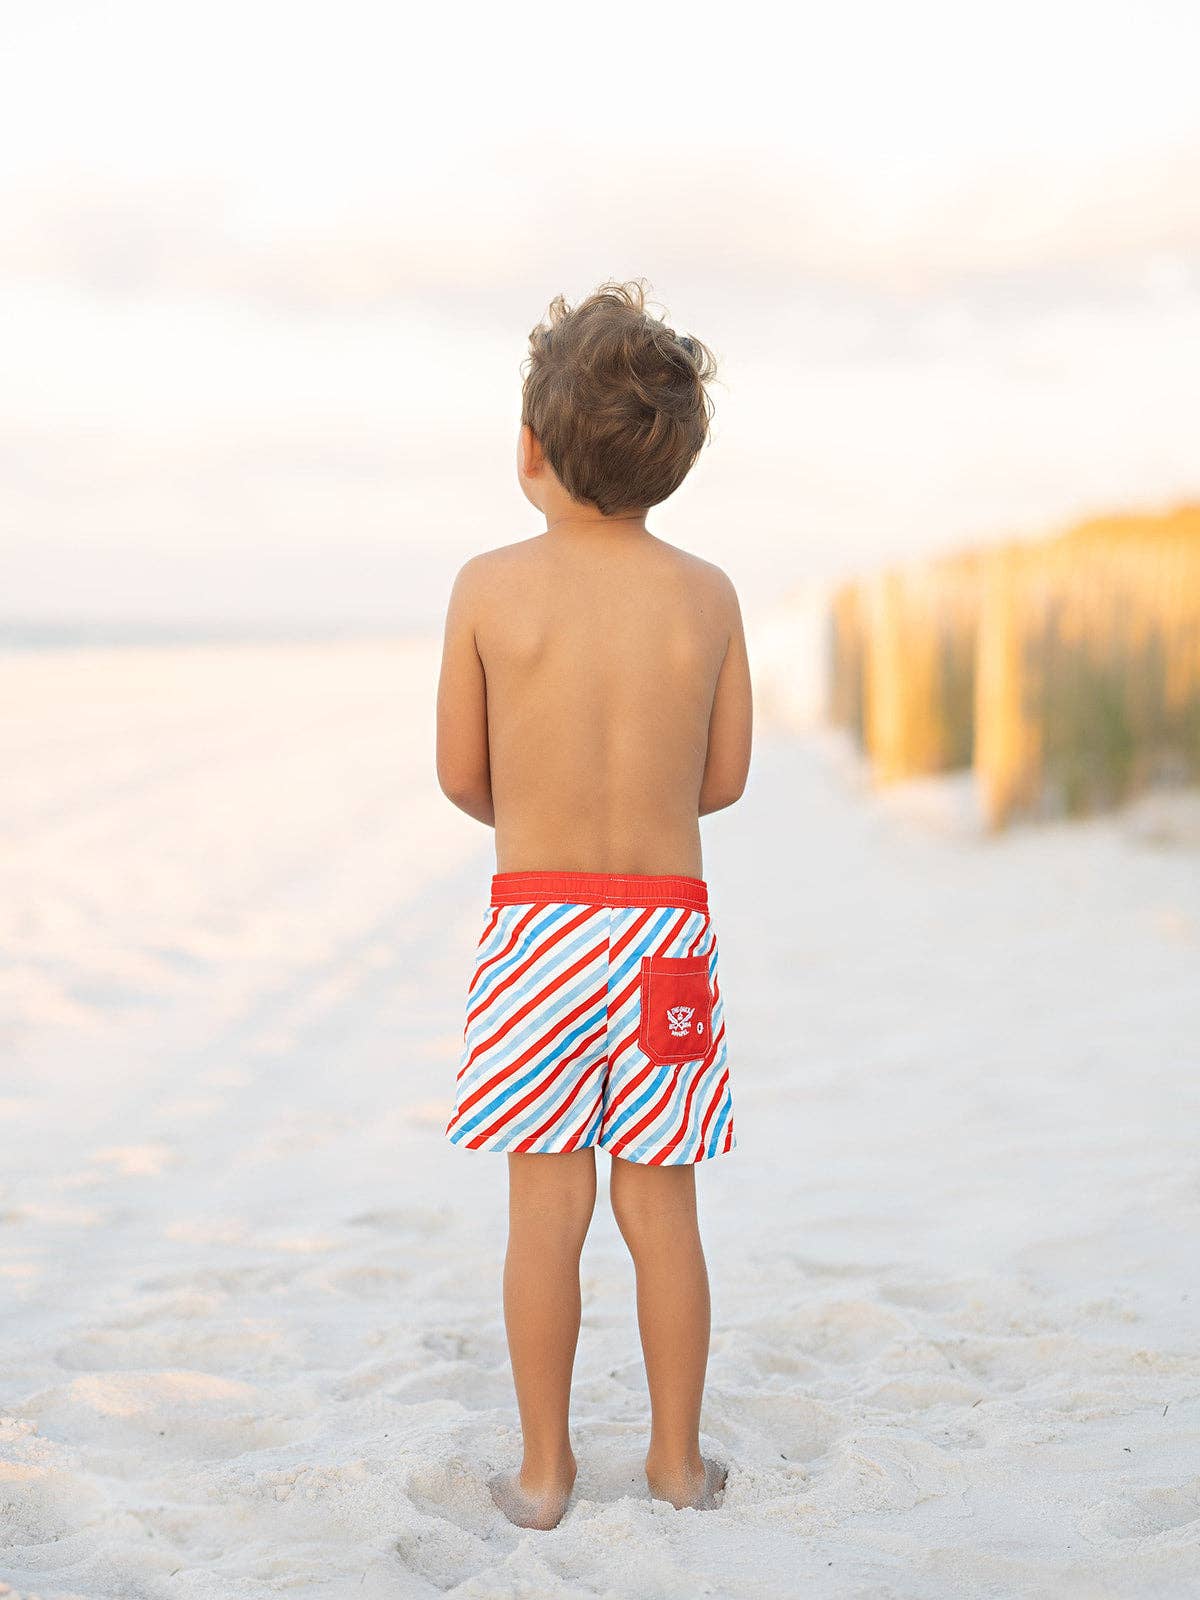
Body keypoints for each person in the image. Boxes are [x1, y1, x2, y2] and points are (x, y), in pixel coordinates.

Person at [435, 280, 752, 1530]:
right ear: (671, 463)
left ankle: (547, 1470)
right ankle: (675, 1462)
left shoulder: (487, 587)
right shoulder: (709, 594)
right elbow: (721, 780)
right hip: (668, 933)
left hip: (537, 930)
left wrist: (539, 818)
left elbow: (465, 774)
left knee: (546, 1205)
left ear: (529, 446)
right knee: (659, 1202)